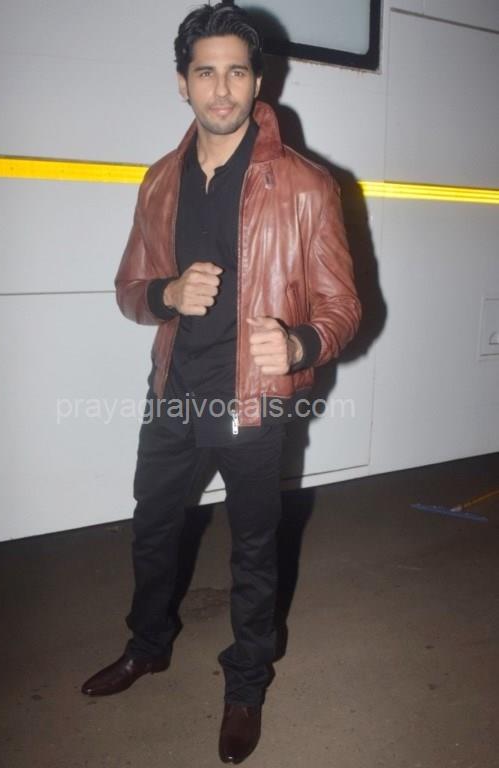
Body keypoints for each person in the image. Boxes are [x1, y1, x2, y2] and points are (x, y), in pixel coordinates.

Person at [81, 2, 361, 763]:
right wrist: (167, 294)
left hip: (252, 401)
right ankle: (148, 646)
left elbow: (343, 306)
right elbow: (129, 290)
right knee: (152, 529)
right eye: (205, 72)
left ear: (257, 80)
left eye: (236, 71)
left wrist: (300, 342)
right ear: (183, 83)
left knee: (255, 549)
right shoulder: (159, 182)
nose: (222, 88)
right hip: (173, 392)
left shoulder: (305, 185)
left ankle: (245, 685)